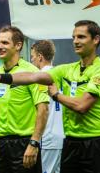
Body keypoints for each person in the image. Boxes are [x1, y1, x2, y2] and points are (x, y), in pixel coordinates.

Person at [0, 20, 100, 173]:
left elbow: (82, 106)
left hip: (97, 143)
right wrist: (3, 78)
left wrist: (56, 95)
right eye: (74, 37)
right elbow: (33, 77)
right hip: (70, 143)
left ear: (96, 39)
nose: (75, 41)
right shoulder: (67, 69)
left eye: (81, 37)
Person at [0, 26, 49, 173]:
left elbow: (43, 109)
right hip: (0, 146)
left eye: (5, 43)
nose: (0, 46)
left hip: (24, 144)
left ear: (18, 45)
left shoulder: (32, 73)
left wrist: (34, 142)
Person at [30, 40, 64, 173]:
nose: (31, 60)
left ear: (40, 57)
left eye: (32, 57)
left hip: (47, 137)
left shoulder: (39, 78)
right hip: (62, 136)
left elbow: (42, 108)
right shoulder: (61, 74)